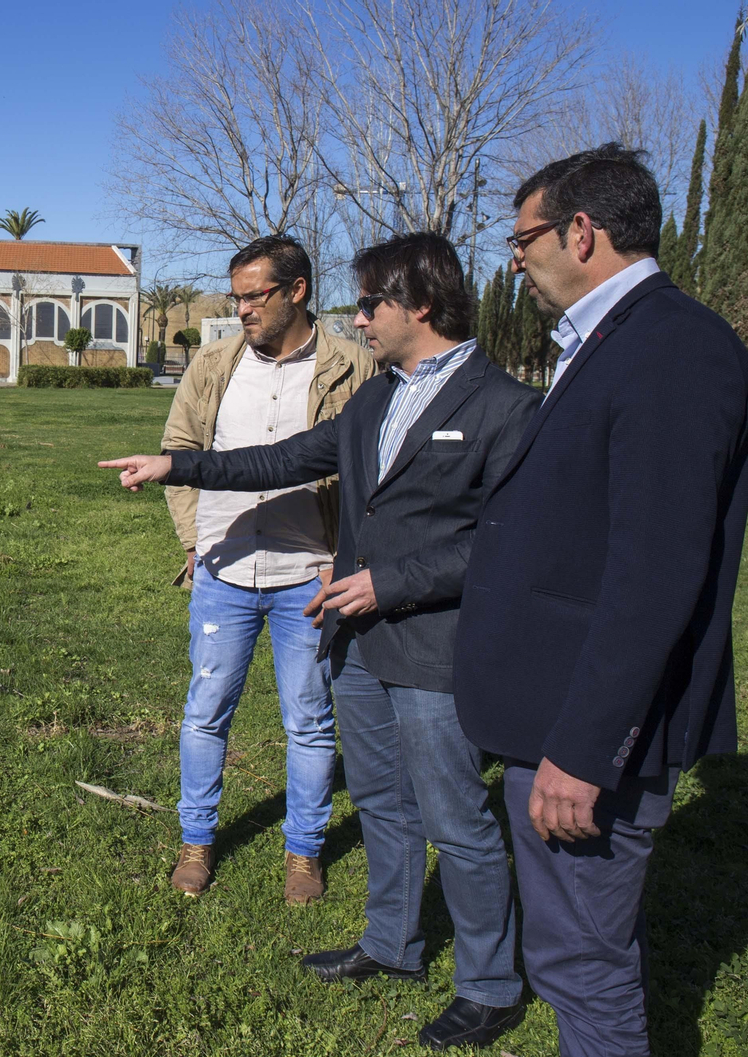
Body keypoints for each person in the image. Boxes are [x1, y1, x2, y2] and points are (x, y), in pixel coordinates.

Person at [102, 232, 540, 1050]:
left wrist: (389, 582)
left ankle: (489, 984)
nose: (360, 316)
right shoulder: (376, 398)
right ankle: (392, 944)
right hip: (358, 637)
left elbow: (503, 542)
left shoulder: (504, 406)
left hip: (432, 643)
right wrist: (177, 467)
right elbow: (284, 457)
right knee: (381, 801)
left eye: (372, 302)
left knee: (458, 816)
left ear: (421, 305)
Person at [454, 144, 748, 1057]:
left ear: (583, 231)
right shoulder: (616, 341)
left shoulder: (671, 348)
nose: (515, 259)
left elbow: (655, 574)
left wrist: (583, 750)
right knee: (578, 951)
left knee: (584, 965)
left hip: (585, 740)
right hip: (555, 714)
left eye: (524, 236)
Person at [157, 234, 376, 902]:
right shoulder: (215, 364)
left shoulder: (352, 368)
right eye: (238, 296)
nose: (243, 309)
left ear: (298, 290)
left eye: (256, 295)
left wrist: (343, 559)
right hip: (223, 572)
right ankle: (197, 838)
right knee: (205, 711)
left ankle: (304, 851)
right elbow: (180, 451)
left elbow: (369, 475)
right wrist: (195, 541)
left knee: (309, 720)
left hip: (307, 576)